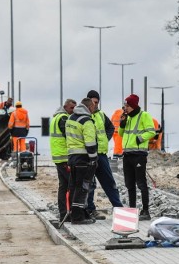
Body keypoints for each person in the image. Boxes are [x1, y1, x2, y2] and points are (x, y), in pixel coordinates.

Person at [85, 90, 123, 220]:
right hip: (87, 155)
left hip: (101, 155)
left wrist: (104, 139)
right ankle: (90, 210)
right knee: (89, 184)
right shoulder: (83, 116)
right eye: (93, 102)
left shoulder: (101, 115)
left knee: (109, 182)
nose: (95, 105)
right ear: (88, 101)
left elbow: (111, 127)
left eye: (97, 102)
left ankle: (119, 209)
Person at [119, 94, 157, 220]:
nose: (125, 108)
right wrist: (122, 123)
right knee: (129, 184)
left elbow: (152, 131)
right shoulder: (128, 118)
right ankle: (132, 210)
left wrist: (139, 139)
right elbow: (120, 134)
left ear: (133, 106)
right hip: (127, 155)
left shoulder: (144, 115)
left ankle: (145, 211)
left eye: (128, 106)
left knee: (141, 183)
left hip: (139, 155)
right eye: (125, 106)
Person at [65, 97, 98, 225]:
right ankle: (78, 217)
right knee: (82, 188)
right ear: (89, 107)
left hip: (72, 158)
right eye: (93, 107)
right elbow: (90, 143)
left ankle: (77, 213)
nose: (94, 109)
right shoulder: (86, 121)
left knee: (74, 186)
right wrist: (94, 159)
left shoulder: (71, 118)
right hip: (83, 159)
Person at [49, 98, 76, 221]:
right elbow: (69, 136)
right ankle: (69, 214)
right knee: (71, 186)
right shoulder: (64, 118)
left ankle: (63, 214)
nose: (73, 111)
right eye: (71, 108)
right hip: (65, 157)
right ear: (65, 107)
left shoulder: (55, 117)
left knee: (63, 186)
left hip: (58, 157)